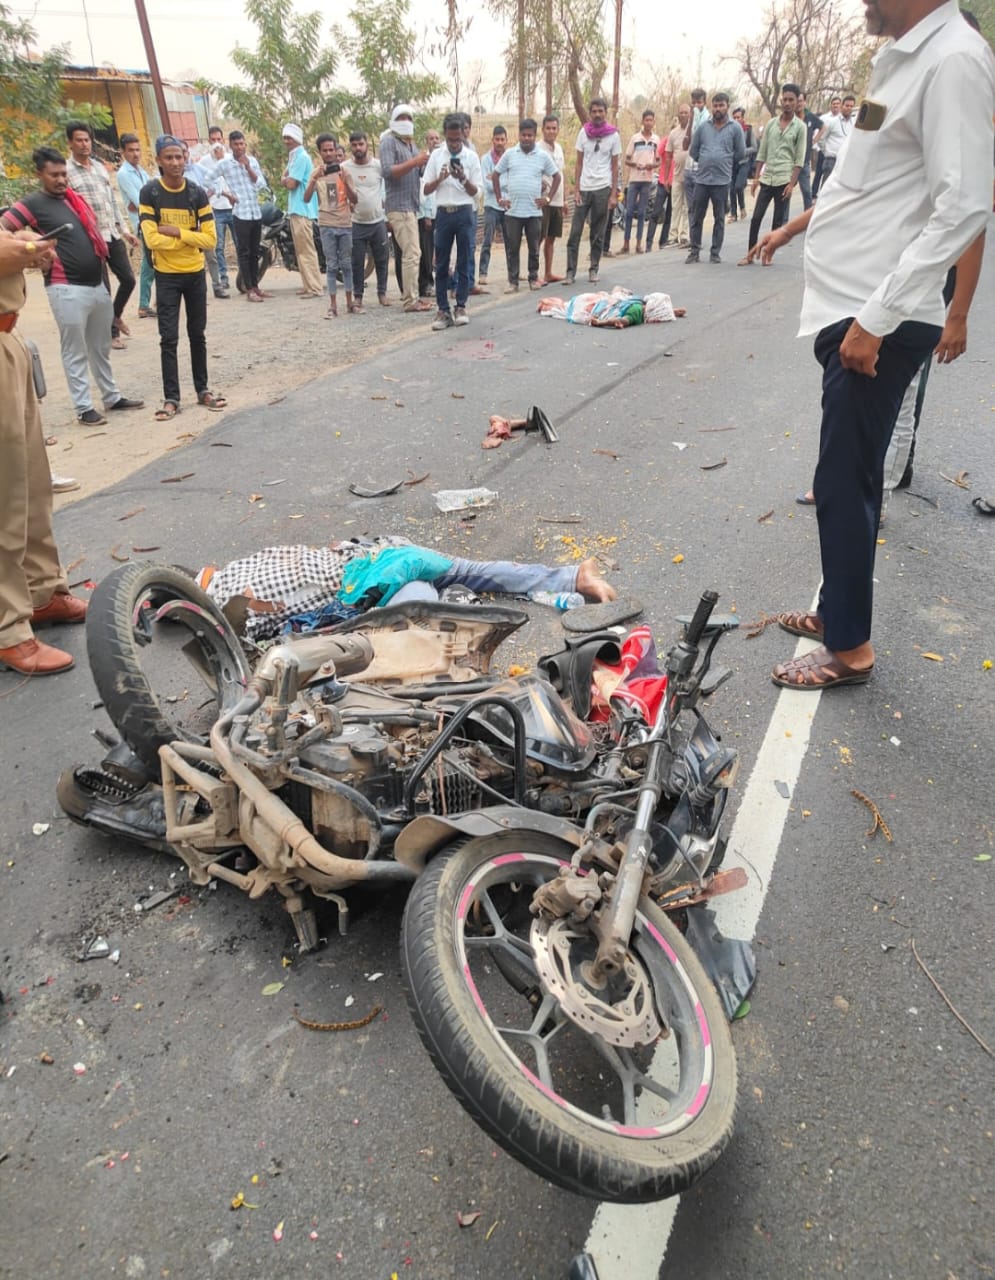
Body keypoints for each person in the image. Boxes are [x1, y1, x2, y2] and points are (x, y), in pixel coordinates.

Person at [752, 0, 994, 690]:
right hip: (853, 308)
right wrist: (791, 229)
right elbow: (857, 187)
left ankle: (850, 649)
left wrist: (877, 317)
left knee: (841, 479)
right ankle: (837, 614)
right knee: (849, 474)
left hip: (877, 315)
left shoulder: (953, 60)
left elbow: (965, 205)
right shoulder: (901, 62)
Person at [196, 541, 617, 643]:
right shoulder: (248, 564)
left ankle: (573, 578)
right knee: (469, 573)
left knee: (422, 623)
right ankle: (572, 577)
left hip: (379, 580)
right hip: (383, 559)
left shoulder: (225, 598)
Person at [0, 227, 90, 676]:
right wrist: (20, 251)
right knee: (4, 495)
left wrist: (20, 243)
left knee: (32, 483)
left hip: (8, 338)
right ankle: (7, 629)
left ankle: (41, 593)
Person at [1, 148, 144, 426]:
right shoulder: (32, 203)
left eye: (63, 174)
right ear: (39, 174)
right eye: (53, 175)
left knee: (100, 346)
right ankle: (83, 407)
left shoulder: (73, 200)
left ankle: (111, 396)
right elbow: (3, 229)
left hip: (96, 282)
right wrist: (30, 244)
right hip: (64, 286)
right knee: (74, 349)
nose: (60, 180)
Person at [139, 135, 226, 420]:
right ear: (159, 161)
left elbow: (210, 240)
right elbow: (152, 240)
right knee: (168, 338)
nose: (175, 162)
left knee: (197, 334)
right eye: (169, 157)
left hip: (195, 274)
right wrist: (191, 238)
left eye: (179, 157)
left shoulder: (196, 193)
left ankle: (203, 390)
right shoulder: (150, 193)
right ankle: (171, 398)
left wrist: (177, 232)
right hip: (167, 276)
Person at [65, 121, 138, 348]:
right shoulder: (66, 173)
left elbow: (111, 203)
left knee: (128, 279)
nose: (84, 144)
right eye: (79, 140)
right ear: (70, 143)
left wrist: (124, 231)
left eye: (87, 140)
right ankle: (111, 334)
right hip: (89, 239)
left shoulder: (99, 168)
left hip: (112, 233)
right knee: (103, 289)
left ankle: (114, 316)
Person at [422, 113, 482, 331]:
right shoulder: (436, 156)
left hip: (464, 211)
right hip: (443, 213)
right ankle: (443, 310)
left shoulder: (471, 157)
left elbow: (477, 193)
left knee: (464, 260)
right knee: (441, 263)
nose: (455, 144)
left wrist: (463, 178)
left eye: (458, 139)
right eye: (450, 140)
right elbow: (425, 189)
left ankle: (461, 306)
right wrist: (440, 178)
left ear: (463, 135)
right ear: (445, 136)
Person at [738, 84, 805, 265]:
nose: (787, 103)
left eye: (791, 100)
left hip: (784, 179)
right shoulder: (771, 124)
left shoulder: (800, 127)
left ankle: (768, 255)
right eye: (785, 99)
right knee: (756, 218)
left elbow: (799, 159)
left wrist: (791, 184)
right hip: (768, 178)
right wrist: (756, 179)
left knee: (777, 221)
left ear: (796, 102)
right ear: (781, 100)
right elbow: (762, 152)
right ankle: (750, 254)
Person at [492, 119, 560, 293]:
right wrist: (500, 198)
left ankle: (533, 278)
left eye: (530, 135)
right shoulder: (510, 154)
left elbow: (557, 176)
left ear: (535, 135)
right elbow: (495, 175)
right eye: (524, 135)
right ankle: (513, 282)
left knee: (534, 248)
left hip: (533, 212)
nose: (527, 138)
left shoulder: (542, 156)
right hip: (513, 211)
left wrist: (548, 199)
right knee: (513, 248)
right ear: (519, 135)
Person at [380, 105, 433, 313]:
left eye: (409, 118)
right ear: (394, 120)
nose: (406, 121)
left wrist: (425, 162)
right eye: (401, 117)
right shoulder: (388, 142)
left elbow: (418, 170)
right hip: (399, 206)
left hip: (411, 205)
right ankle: (410, 300)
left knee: (413, 252)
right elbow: (387, 171)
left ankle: (412, 296)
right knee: (411, 253)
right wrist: (414, 162)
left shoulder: (410, 143)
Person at [564, 98, 621, 286]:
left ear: (606, 112)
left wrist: (613, 194)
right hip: (584, 188)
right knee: (575, 232)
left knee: (598, 232)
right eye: (594, 111)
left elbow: (615, 166)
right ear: (590, 113)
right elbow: (579, 163)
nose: (597, 114)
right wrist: (576, 190)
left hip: (603, 188)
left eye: (600, 111)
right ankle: (570, 272)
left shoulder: (613, 136)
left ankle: (593, 269)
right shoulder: (583, 133)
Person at [686, 93, 745, 264]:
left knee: (719, 218)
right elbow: (693, 151)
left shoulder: (735, 128)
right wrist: (707, 160)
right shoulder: (703, 127)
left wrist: (723, 161)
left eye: (721, 105)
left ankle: (715, 252)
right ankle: (694, 251)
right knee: (697, 217)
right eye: (715, 106)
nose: (718, 109)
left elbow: (740, 153)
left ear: (727, 106)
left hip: (722, 181)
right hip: (702, 180)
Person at [209, 131, 267, 301]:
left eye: (242, 144)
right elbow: (208, 179)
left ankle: (256, 286)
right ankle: (249, 289)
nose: (240, 147)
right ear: (230, 146)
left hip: (255, 212)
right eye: (236, 144)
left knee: (255, 251)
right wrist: (225, 193)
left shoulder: (252, 161)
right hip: (240, 213)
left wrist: (248, 167)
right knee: (244, 252)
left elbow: (261, 184)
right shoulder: (225, 164)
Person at [305, 134, 356, 318]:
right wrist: (314, 179)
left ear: (336, 151)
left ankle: (350, 303)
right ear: (320, 152)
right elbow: (306, 198)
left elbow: (355, 199)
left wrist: (344, 181)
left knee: (347, 264)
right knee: (332, 265)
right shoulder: (316, 173)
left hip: (344, 223)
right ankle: (333, 306)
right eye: (324, 150)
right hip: (326, 224)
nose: (328, 153)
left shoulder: (345, 172)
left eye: (331, 150)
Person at [344, 131, 390, 315]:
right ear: (351, 147)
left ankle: (382, 293)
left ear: (367, 145)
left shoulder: (378, 166)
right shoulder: (344, 168)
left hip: (378, 221)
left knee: (382, 259)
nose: (358, 148)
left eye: (361, 144)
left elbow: (388, 188)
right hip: (356, 223)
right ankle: (358, 297)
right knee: (357, 262)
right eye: (354, 145)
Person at [280, 123, 323, 299]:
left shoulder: (301, 157)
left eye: (289, 138)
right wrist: (285, 179)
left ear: (297, 139)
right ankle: (308, 285)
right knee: (300, 251)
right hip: (296, 209)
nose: (286, 141)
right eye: (285, 138)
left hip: (302, 209)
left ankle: (315, 288)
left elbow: (291, 183)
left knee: (306, 251)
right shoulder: (294, 157)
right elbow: (286, 178)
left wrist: (284, 179)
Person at [116, 133, 156, 318]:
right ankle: (143, 305)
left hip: (151, 220)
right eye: (131, 150)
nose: (135, 154)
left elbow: (152, 193)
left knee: (153, 261)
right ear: (123, 152)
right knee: (150, 263)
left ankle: (150, 302)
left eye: (137, 150)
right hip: (142, 223)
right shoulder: (124, 174)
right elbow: (140, 201)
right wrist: (143, 203)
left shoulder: (141, 171)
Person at [622, 110, 659, 253]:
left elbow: (658, 161)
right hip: (634, 179)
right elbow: (627, 159)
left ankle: (638, 244)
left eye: (651, 120)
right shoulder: (635, 138)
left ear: (653, 122)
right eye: (646, 120)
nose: (648, 123)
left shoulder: (656, 140)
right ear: (642, 121)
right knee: (629, 212)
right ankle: (626, 243)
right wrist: (635, 164)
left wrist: (652, 166)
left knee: (642, 213)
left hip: (647, 180)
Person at [204, 125, 235, 291]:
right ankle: (223, 278)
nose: (216, 143)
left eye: (219, 139)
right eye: (213, 140)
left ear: (223, 140)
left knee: (240, 244)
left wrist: (222, 159)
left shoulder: (230, 158)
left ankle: (246, 279)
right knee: (219, 246)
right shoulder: (204, 162)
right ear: (209, 141)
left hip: (233, 207)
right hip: (216, 209)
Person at [478, 125, 508, 286]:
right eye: (497, 139)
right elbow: (487, 185)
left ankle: (513, 272)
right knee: (487, 240)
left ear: (506, 140)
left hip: (507, 205)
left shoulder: (509, 157)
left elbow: (511, 182)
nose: (500, 142)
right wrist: (502, 181)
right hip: (491, 205)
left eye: (502, 139)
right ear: (492, 140)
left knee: (511, 241)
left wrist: (495, 178)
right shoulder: (486, 159)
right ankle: (483, 273)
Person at [538, 114, 566, 283]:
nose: (551, 131)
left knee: (551, 237)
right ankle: (534, 274)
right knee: (539, 237)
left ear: (558, 130)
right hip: (543, 199)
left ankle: (548, 272)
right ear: (542, 130)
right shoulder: (537, 149)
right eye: (548, 128)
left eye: (554, 128)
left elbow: (561, 174)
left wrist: (564, 200)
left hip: (557, 199)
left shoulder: (559, 148)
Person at [811, 94, 855, 196]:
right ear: (842, 106)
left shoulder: (853, 122)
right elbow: (821, 138)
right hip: (831, 159)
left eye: (851, 106)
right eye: (847, 105)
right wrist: (826, 152)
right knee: (826, 188)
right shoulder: (832, 122)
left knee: (841, 189)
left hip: (845, 160)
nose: (849, 108)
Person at [418, 128, 441, 299]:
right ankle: (426, 284)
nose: (435, 141)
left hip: (441, 211)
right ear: (426, 141)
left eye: (437, 138)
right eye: (431, 138)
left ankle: (439, 282)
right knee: (426, 251)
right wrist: (426, 214)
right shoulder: (424, 162)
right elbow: (423, 188)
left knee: (439, 250)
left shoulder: (441, 159)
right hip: (427, 214)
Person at [792, 92, 823, 212]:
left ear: (805, 102)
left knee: (806, 192)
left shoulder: (810, 117)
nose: (799, 104)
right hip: (790, 162)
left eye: (801, 101)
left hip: (804, 161)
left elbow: (823, 127)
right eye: (797, 101)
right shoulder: (791, 117)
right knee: (785, 191)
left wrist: (815, 140)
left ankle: (808, 217)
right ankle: (783, 219)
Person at [727, 107, 757, 220]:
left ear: (743, 118)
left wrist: (743, 151)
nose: (736, 120)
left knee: (739, 186)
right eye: (734, 118)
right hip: (732, 163)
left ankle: (742, 207)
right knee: (732, 189)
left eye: (738, 117)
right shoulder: (729, 131)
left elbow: (754, 147)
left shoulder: (748, 130)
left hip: (745, 162)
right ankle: (734, 214)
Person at [811, 95, 841, 196]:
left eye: (837, 104)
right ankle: (814, 194)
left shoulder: (842, 119)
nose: (835, 106)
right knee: (819, 173)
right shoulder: (824, 118)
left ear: (840, 105)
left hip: (837, 153)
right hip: (824, 151)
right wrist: (819, 148)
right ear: (830, 105)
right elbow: (817, 133)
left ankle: (830, 195)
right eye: (834, 104)